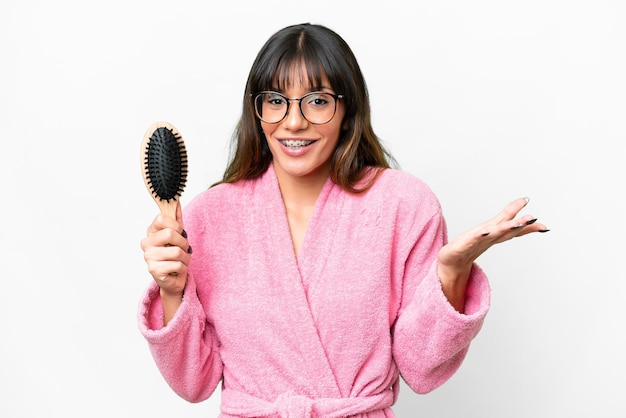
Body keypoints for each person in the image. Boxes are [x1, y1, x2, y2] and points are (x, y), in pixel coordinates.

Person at [138, 23, 548, 417]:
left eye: (317, 101)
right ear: (256, 110)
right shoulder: (210, 217)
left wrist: (452, 274)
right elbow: (194, 383)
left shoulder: (404, 205)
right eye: (275, 100)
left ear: (347, 109)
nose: (294, 122)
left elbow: (423, 370)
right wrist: (172, 291)